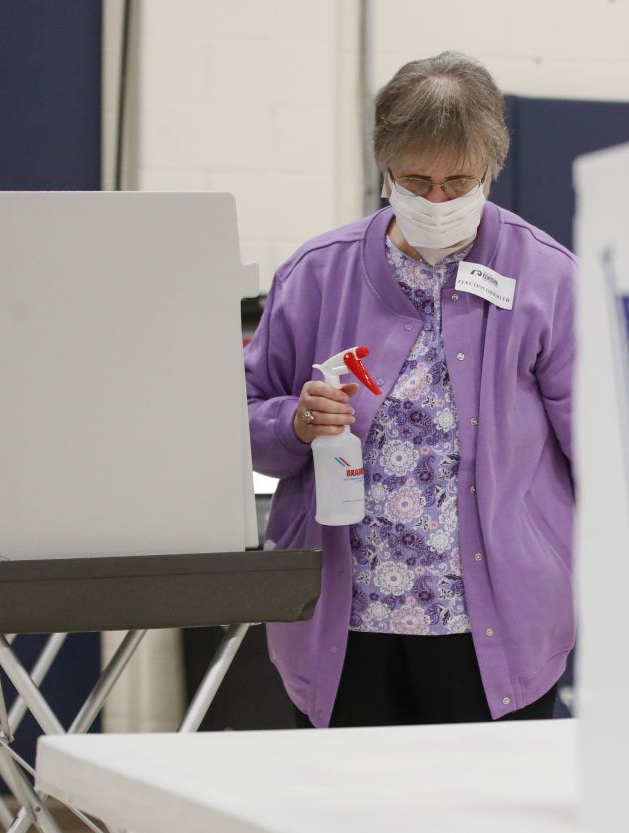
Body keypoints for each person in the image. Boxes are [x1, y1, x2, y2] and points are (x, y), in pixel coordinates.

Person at [244, 51, 575, 728]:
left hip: (501, 628)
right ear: (385, 170)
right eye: (418, 181)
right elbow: (236, 422)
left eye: (460, 181)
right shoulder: (316, 277)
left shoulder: (546, 279)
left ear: (490, 170)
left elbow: (603, 449)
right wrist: (295, 423)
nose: (439, 202)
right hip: (350, 623)